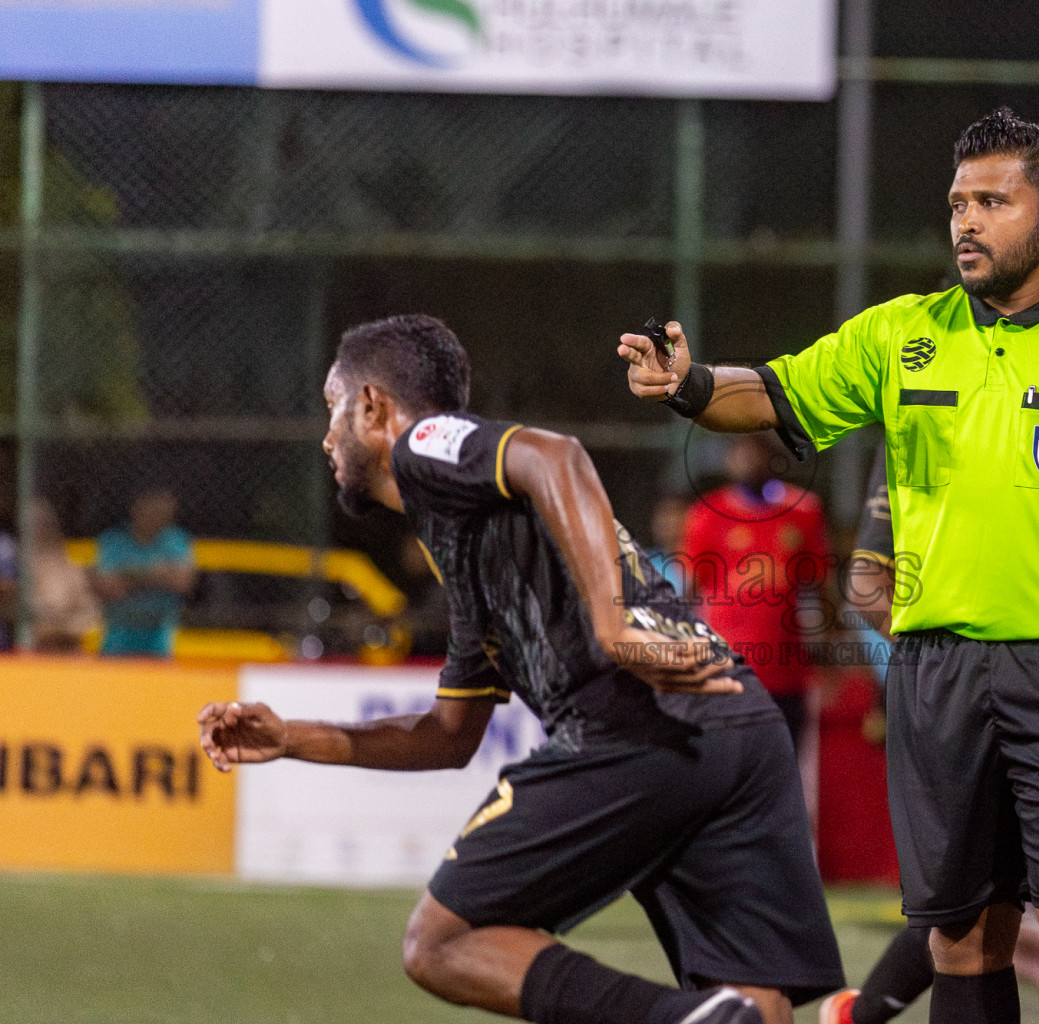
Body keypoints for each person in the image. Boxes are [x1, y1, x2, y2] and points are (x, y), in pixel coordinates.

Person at [620, 108, 1039, 1024]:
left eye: (993, 200)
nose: (967, 222)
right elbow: (777, 392)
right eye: (957, 203)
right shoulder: (900, 334)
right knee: (962, 935)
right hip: (938, 671)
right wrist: (692, 386)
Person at [198, 315, 844, 1024]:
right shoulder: (473, 548)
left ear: (374, 407)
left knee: (439, 943)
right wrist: (291, 737)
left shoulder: (422, 444)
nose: (327, 437)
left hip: (632, 721)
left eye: (333, 408)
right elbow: (448, 735)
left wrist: (612, 623)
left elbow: (554, 455)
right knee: (755, 1002)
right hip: (737, 722)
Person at [820, 449, 1039, 1024]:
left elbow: (865, 582)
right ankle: (857, 1014)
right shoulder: (920, 411)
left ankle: (855, 1014)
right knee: (993, 912)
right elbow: (866, 581)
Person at [681, 431, 833, 749]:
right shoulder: (706, 514)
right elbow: (690, 593)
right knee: (724, 767)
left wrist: (828, 658)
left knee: (785, 764)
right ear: (729, 459)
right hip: (724, 673)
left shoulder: (805, 512)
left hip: (786, 673)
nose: (749, 460)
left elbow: (821, 590)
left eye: (758, 452)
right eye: (742, 452)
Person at [93, 488, 196, 656]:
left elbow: (182, 582)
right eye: (155, 508)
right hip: (118, 637)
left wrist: (129, 574)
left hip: (160, 637)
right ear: (138, 508)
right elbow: (108, 586)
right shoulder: (113, 541)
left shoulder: (176, 540)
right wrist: (158, 575)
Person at [26, 497, 101, 653]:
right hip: (30, 654)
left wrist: (60, 627)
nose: (40, 529)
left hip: (68, 650)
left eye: (44, 524)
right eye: (32, 525)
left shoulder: (69, 569)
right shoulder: (16, 566)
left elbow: (91, 614)